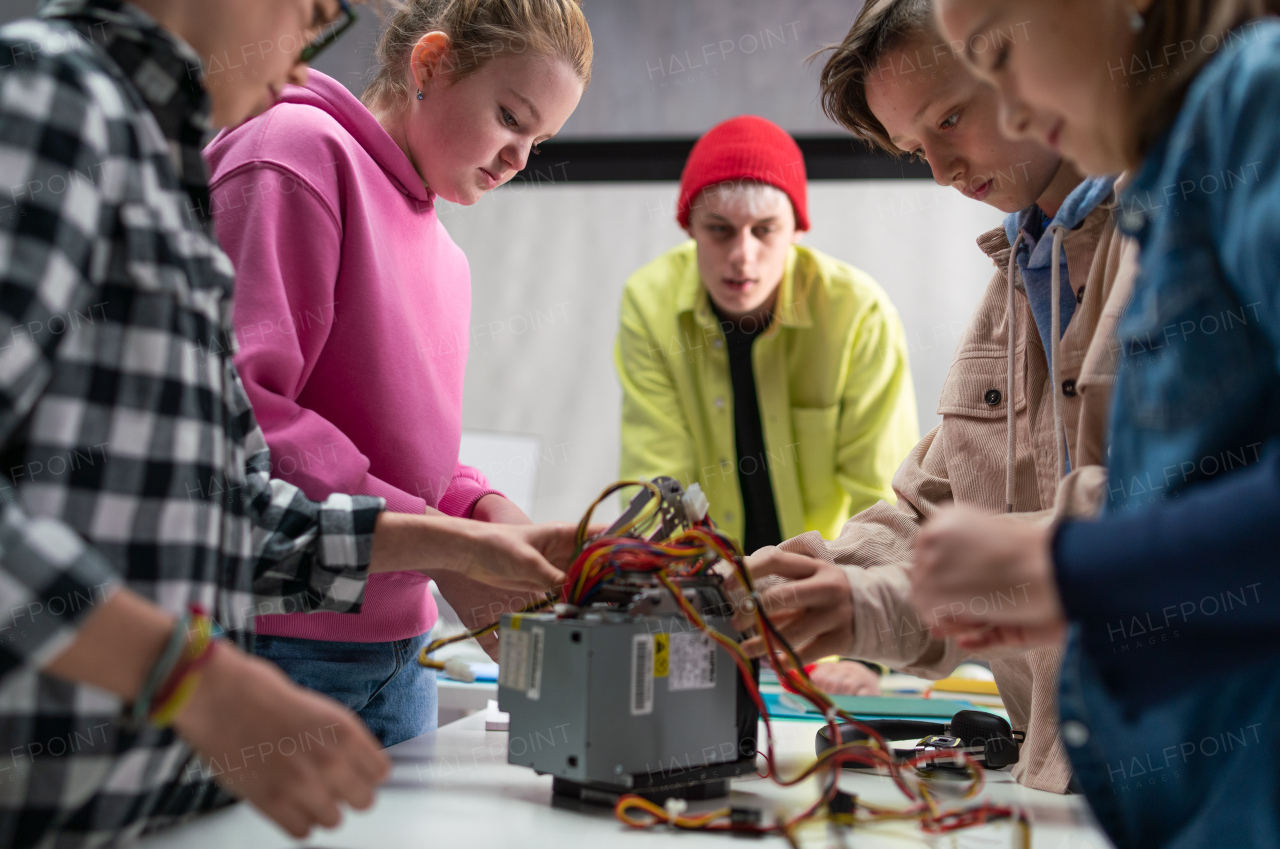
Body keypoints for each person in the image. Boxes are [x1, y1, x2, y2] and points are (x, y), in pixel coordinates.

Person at [0, 0, 575, 844]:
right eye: (314, 8)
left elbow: (228, 505)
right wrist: (190, 677)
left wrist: (466, 535)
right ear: (431, 65)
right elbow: (262, 446)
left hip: (159, 782)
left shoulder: (164, 173)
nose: (313, 43)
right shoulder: (62, 95)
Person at [735, 0, 1138, 793]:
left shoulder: (1170, 233)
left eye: (951, 117)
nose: (944, 171)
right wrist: (811, 583)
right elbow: (930, 506)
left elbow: (1155, 512)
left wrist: (878, 594)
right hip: (1054, 779)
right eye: (916, 147)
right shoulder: (1017, 281)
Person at [913, 0, 1280, 845]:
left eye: (1000, 53)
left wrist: (1072, 564)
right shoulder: (1174, 184)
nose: (1012, 113)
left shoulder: (1255, 98)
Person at [205, 0, 590, 747]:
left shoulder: (446, 253)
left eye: (539, 141)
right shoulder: (293, 153)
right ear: (430, 64)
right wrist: (445, 539)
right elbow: (244, 418)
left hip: (398, 656)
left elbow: (402, 453)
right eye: (511, 117)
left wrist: (480, 511)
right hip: (282, 641)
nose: (519, 159)